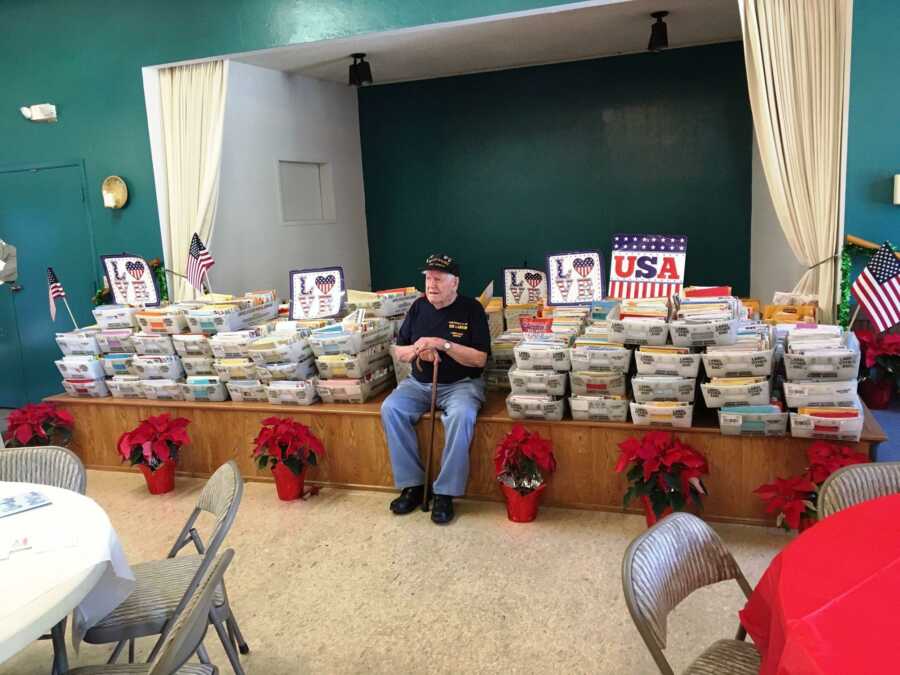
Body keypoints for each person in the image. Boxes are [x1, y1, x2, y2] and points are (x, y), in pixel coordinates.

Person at [380, 254, 491, 524]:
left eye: (438, 279)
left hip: (461, 385)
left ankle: (445, 493)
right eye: (428, 278)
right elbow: (399, 350)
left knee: (462, 415)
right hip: (419, 383)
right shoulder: (418, 307)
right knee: (390, 408)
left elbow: (480, 359)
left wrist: (443, 344)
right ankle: (413, 486)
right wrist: (420, 348)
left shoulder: (472, 309)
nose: (432, 284)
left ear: (455, 283)